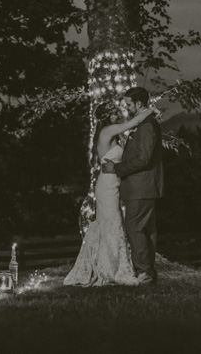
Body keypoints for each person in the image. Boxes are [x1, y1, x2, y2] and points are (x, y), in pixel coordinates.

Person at [64, 101, 157, 287]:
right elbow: (133, 123)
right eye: (113, 113)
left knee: (111, 223)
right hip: (107, 186)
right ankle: (110, 267)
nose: (117, 115)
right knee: (111, 222)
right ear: (106, 116)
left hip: (113, 183)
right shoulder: (108, 130)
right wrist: (151, 110)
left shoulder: (112, 132)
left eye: (116, 112)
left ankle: (109, 263)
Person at [101, 87, 164, 285]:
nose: (127, 108)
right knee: (144, 229)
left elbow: (143, 159)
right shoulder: (144, 123)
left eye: (128, 104)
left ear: (138, 104)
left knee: (135, 227)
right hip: (142, 187)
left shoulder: (146, 126)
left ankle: (144, 272)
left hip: (141, 186)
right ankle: (147, 271)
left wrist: (116, 168)